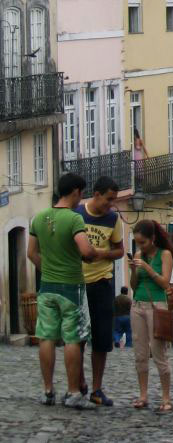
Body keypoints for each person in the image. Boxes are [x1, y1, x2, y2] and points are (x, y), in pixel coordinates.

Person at [27, 172, 98, 408]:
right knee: (72, 338)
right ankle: (73, 392)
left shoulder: (38, 218)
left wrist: (47, 268)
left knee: (46, 336)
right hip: (71, 287)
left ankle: (48, 391)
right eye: (81, 193)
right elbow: (86, 250)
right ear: (76, 192)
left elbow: (31, 253)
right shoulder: (74, 219)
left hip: (47, 286)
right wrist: (93, 256)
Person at [74, 175, 125, 405]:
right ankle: (80, 382)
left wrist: (102, 254)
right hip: (78, 282)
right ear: (96, 194)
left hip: (102, 282)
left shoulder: (113, 219)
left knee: (102, 338)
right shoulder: (77, 214)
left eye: (113, 200)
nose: (111, 204)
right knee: (78, 337)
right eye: (108, 199)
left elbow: (120, 250)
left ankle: (96, 388)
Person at [130, 218, 173, 411]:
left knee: (159, 353)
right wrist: (133, 271)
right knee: (140, 353)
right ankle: (143, 395)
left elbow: (165, 282)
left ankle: (166, 398)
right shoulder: (138, 254)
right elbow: (133, 285)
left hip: (157, 306)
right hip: (137, 305)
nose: (140, 246)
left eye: (143, 242)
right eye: (137, 242)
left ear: (153, 239)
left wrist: (147, 267)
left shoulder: (164, 255)